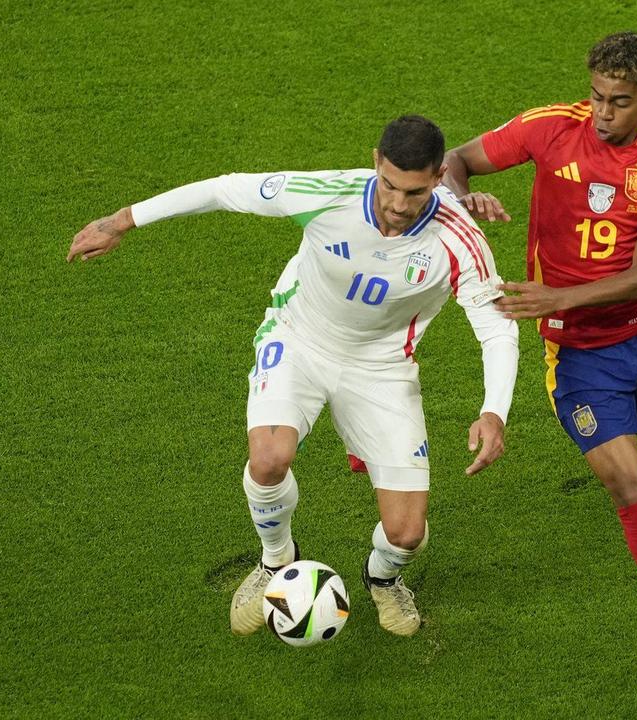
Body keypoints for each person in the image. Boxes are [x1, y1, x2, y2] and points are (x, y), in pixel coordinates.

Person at [68, 115, 519, 638]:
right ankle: (275, 560)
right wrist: (122, 220)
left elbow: (497, 327)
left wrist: (494, 411)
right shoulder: (328, 193)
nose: (398, 205)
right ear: (376, 162)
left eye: (414, 192)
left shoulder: (460, 239)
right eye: (389, 185)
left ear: (439, 177)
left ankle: (383, 578)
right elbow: (225, 189)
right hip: (299, 338)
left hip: (381, 368)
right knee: (268, 459)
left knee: (406, 534)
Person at [443, 32, 637, 704]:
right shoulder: (551, 127)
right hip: (579, 357)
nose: (603, 113)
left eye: (620, 101)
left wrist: (556, 297)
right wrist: (465, 200)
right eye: (598, 96)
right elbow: (455, 160)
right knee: (630, 487)